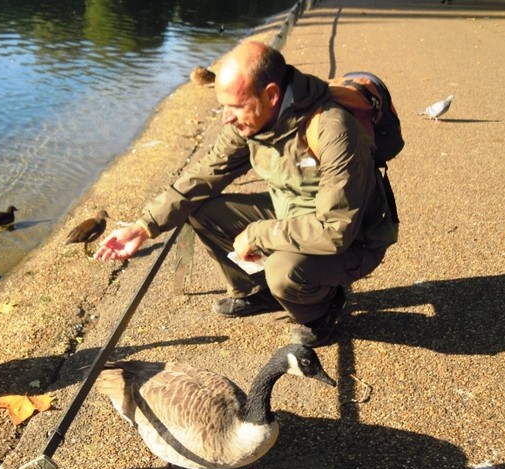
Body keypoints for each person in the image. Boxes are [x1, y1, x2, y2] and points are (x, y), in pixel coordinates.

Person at [94, 40, 398, 347]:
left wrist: (258, 234)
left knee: (284, 270)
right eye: (223, 106)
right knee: (198, 209)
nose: (226, 117)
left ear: (271, 95)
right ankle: (258, 291)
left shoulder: (333, 129)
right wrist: (144, 226)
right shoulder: (252, 120)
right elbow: (204, 175)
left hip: (352, 239)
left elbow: (335, 231)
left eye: (236, 106)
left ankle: (322, 312)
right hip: (291, 215)